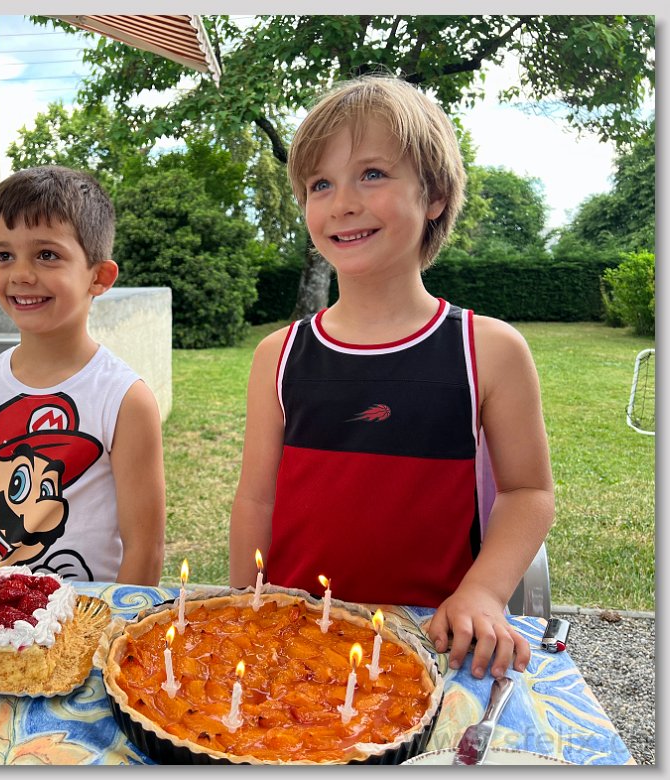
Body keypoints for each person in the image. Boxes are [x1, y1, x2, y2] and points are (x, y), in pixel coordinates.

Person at [229, 75, 554, 679]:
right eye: (320, 184)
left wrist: (483, 592)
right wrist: (243, 603)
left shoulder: (489, 350)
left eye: (372, 174)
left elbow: (527, 493)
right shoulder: (278, 354)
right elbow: (257, 498)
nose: (341, 203)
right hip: (294, 635)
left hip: (435, 641)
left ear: (434, 196)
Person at [0, 165, 166, 585]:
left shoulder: (124, 400)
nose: (20, 274)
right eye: (4, 256)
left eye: (47, 255)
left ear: (99, 277)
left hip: (84, 616)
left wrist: (117, 622)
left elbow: (145, 547)